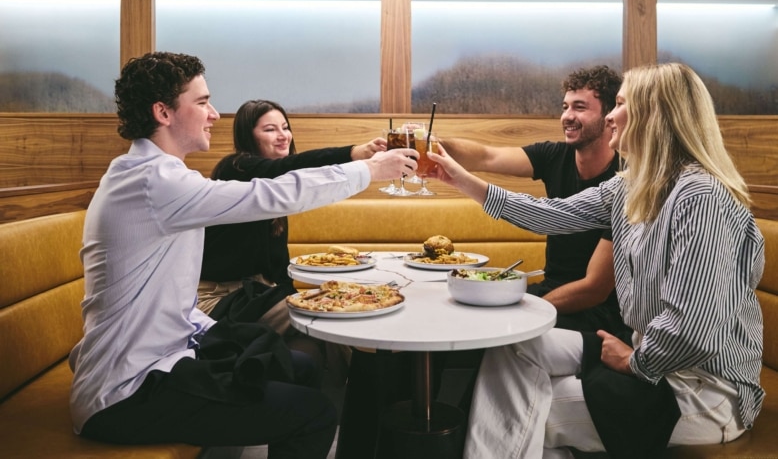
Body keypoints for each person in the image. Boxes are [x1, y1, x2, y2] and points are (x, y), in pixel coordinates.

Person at [68, 52, 417, 458]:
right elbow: (267, 193)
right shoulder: (153, 182)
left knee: (299, 366)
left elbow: (169, 298)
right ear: (163, 112)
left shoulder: (156, 175)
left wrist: (213, 333)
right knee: (316, 415)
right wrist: (369, 170)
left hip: (165, 358)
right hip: (126, 390)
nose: (214, 114)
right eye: (201, 102)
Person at [429, 62, 764, 458]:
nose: (610, 116)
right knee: (514, 346)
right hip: (653, 362)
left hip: (702, 390)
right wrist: (457, 178)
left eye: (620, 104)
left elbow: (693, 328)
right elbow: (552, 214)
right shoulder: (632, 185)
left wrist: (637, 360)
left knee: (518, 413)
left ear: (654, 116)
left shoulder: (700, 197)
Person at [199, 98, 384, 375]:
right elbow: (292, 168)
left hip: (256, 294)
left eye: (285, 127)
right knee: (327, 314)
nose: (283, 135)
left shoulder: (279, 192)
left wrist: (302, 292)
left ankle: (353, 401)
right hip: (217, 298)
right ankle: (368, 394)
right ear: (248, 136)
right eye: (270, 129)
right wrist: (355, 153)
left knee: (324, 323)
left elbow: (276, 266)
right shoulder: (236, 169)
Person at [442, 65, 626, 334]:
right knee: (462, 318)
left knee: (498, 331)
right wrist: (432, 145)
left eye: (579, 107)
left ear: (609, 116)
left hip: (597, 313)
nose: (567, 116)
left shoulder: (623, 181)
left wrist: (527, 310)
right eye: (565, 107)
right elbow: (485, 156)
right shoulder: (553, 155)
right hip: (550, 290)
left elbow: (594, 289)